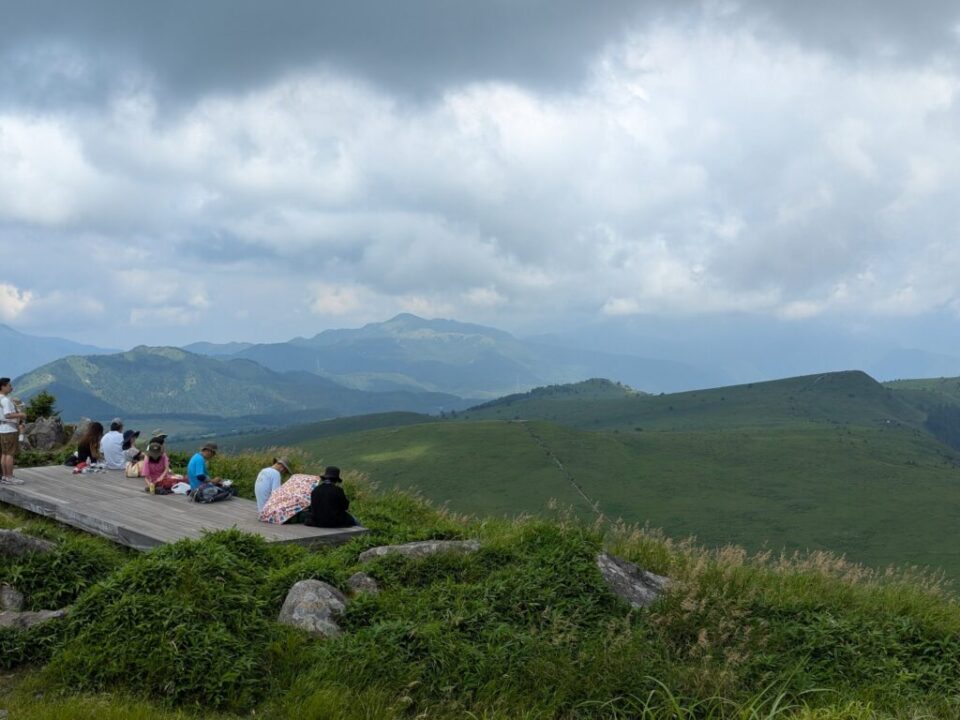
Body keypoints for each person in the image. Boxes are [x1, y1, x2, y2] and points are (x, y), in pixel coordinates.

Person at [0, 378, 26, 485]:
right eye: (9, 385)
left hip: (2, 429)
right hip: (9, 429)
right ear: (3, 387)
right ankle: (9, 477)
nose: (11, 387)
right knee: (10, 454)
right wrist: (21, 415)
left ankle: (4, 476)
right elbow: (7, 415)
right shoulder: (5, 400)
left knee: (4, 454)